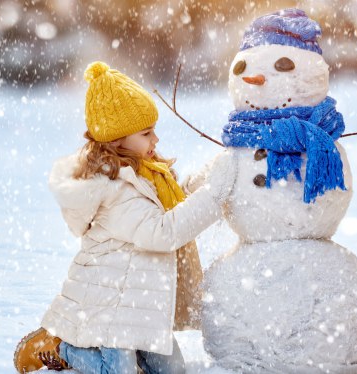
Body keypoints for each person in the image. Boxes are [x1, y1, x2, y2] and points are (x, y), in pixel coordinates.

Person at [13, 61, 235, 373]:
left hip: (143, 307)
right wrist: (214, 197)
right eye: (146, 133)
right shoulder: (114, 188)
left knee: (173, 372)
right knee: (117, 371)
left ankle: (131, 357)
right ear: (117, 141)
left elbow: (178, 202)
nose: (155, 139)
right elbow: (162, 232)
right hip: (110, 307)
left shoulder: (149, 174)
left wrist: (216, 172)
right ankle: (61, 348)